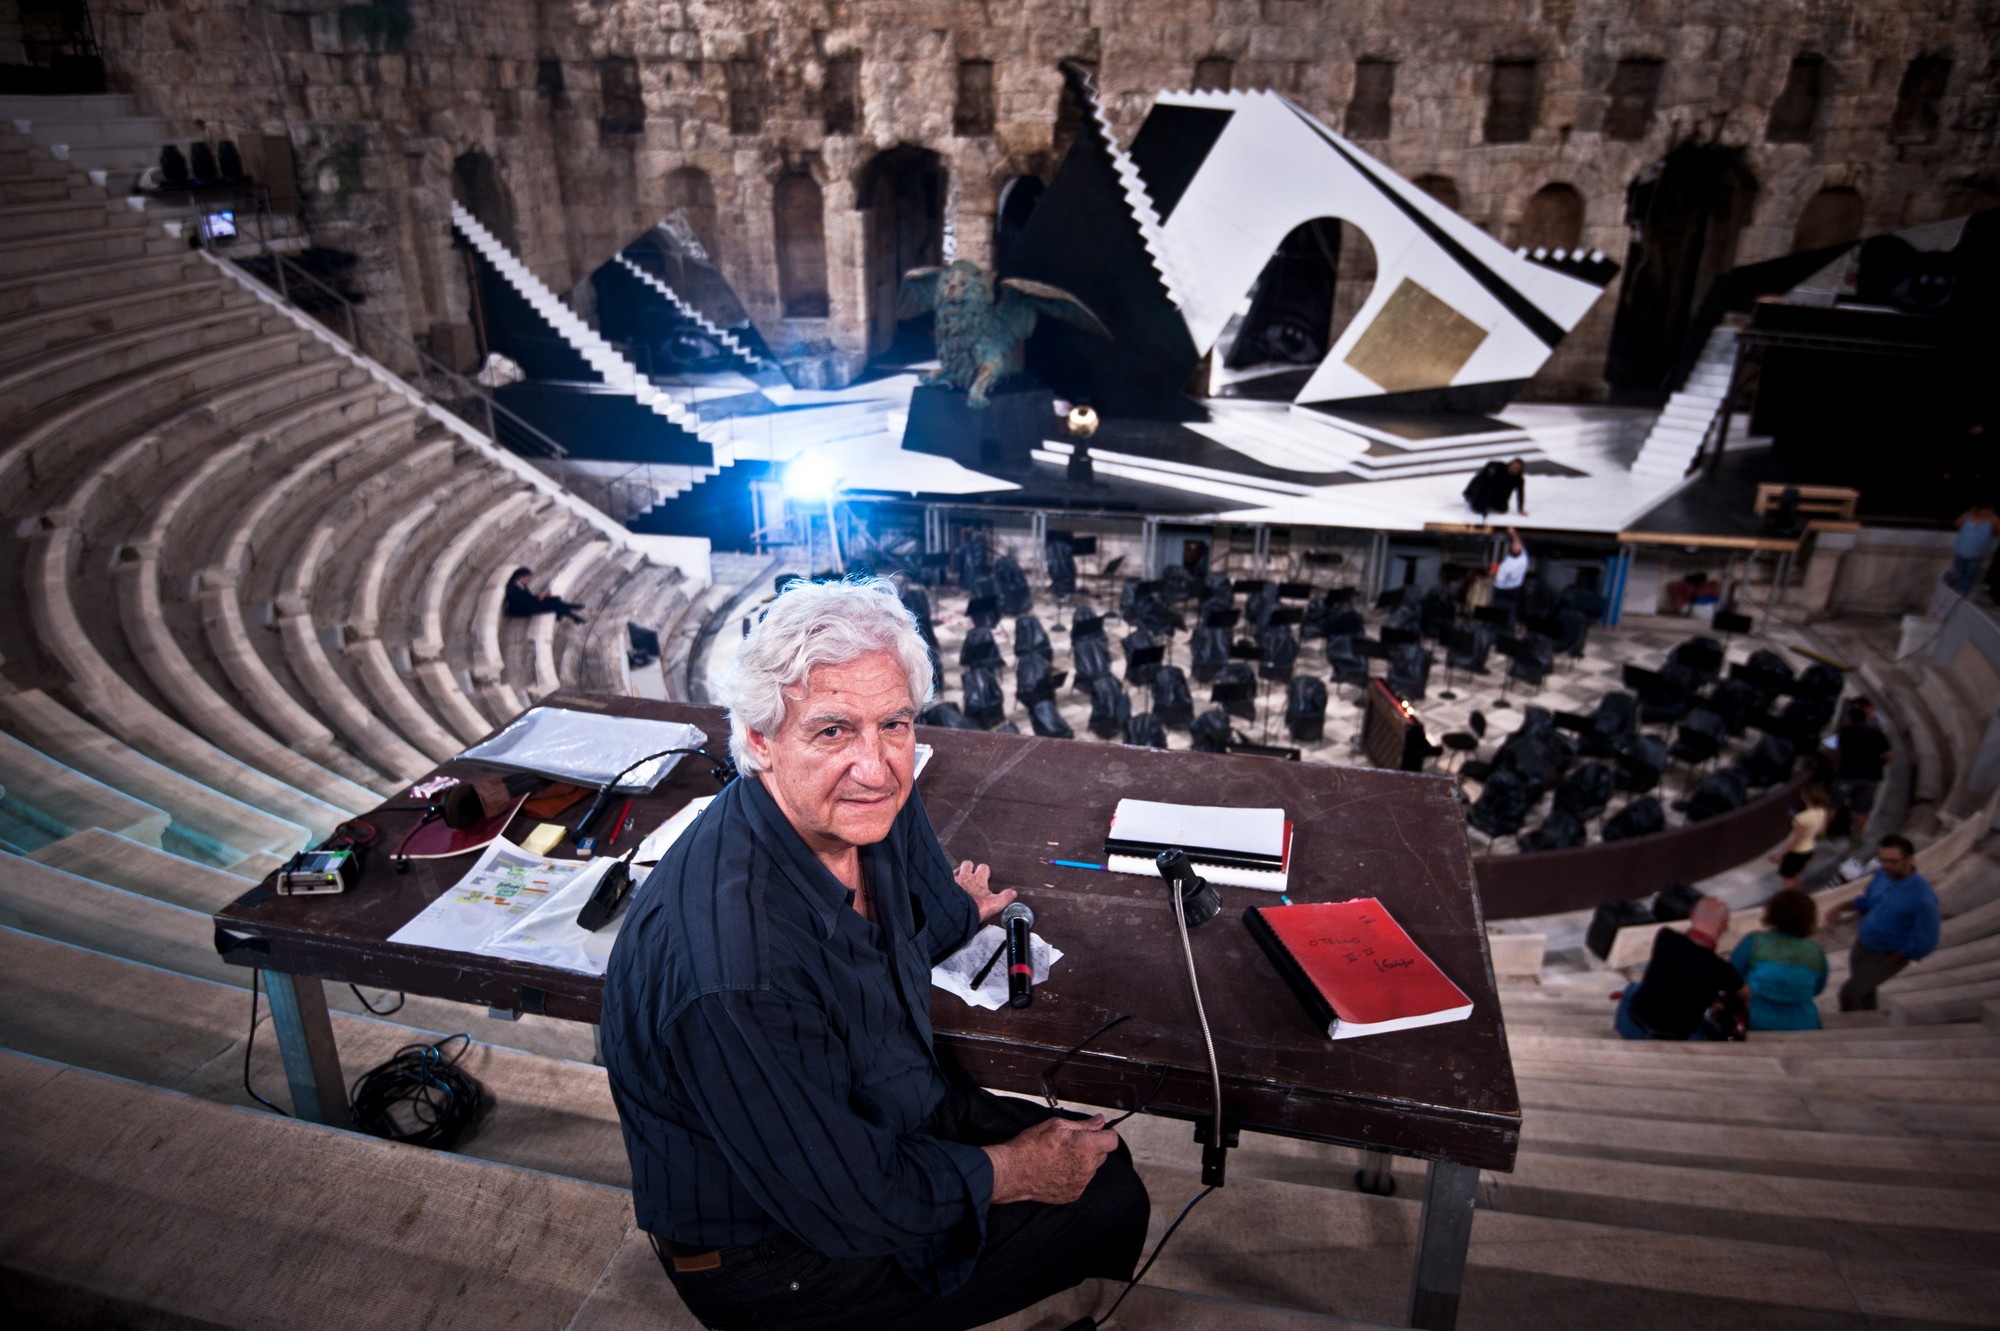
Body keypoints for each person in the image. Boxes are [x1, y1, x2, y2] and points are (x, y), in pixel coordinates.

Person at [600, 577, 1149, 1331]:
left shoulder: (862, 802)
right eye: (832, 730)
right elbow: (847, 1198)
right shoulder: (735, 971)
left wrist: (960, 911)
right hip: (771, 1254)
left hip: (874, 1118)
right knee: (1109, 1198)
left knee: (1100, 1152)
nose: (878, 765)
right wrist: (1018, 1171)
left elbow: (933, 906)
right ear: (759, 740)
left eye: (895, 722)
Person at [1828, 834, 1940, 1011]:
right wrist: (1840, 907)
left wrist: (1898, 955)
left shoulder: (1922, 897)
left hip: (1886, 954)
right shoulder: (1882, 875)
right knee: (1865, 992)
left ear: (1910, 859)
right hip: (1864, 944)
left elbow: (1927, 938)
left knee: (1849, 994)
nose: (1886, 866)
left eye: (1893, 861)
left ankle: (1854, 1032)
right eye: (1883, 860)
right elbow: (1868, 901)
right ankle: (1871, 1024)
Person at [1614, 895, 1747, 1040]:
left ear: (1691, 915)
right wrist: (1713, 998)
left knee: (1634, 987)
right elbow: (1746, 993)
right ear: (1722, 926)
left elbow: (1683, 965)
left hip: (1633, 1029)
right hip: (1674, 1039)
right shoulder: (1721, 969)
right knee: (1703, 1021)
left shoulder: (1665, 937)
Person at [1730, 889, 1829, 1031]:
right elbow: (1818, 987)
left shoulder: (1755, 941)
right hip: (1803, 1024)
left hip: (1756, 1020)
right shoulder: (1815, 951)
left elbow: (1732, 977)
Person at [1829, 699, 1892, 841]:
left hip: (1847, 775)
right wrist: (1880, 764)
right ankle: (1858, 836)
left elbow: (1834, 748)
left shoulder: (1845, 732)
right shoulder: (1876, 734)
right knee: (1862, 810)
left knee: (1834, 805)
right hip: (1870, 777)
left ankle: (1822, 833)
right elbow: (1889, 754)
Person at [1771, 783, 1831, 891]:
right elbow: (1821, 831)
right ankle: (1799, 893)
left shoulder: (1801, 818)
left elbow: (1796, 840)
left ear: (1805, 797)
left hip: (1797, 851)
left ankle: (1789, 900)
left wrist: (1780, 854)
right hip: (1809, 849)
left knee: (1788, 878)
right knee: (1797, 873)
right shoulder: (1822, 811)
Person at [503, 566, 586, 624]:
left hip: (526, 605)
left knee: (555, 599)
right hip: (521, 610)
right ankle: (573, 616)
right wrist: (540, 597)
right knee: (553, 605)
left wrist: (540, 596)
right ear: (521, 577)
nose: (529, 581)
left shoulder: (519, 585)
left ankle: (569, 611)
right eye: (528, 578)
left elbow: (528, 598)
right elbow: (527, 603)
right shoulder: (513, 588)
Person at [1947, 503, 1998, 594]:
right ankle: (1952, 590)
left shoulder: (1993, 520)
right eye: (1983, 509)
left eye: (1988, 509)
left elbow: (1997, 532)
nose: (1985, 512)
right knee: (1958, 571)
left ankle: (1964, 591)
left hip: (1977, 554)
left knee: (1970, 573)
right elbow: (1957, 524)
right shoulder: (1967, 515)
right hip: (1962, 550)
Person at [1463, 456, 1529, 520]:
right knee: (1478, 506)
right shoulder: (1500, 467)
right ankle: (1471, 496)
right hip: (1486, 491)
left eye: (1517, 468)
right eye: (1513, 466)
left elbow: (1520, 494)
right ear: (1510, 464)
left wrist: (1520, 509)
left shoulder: (1518, 480)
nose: (1514, 469)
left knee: (1502, 510)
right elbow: (1487, 467)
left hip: (1499, 497)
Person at [1490, 528, 1529, 621]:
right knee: (1508, 610)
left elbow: (1496, 579)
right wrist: (1512, 532)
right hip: (1513, 587)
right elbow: (1518, 542)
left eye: (1516, 546)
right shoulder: (1523, 557)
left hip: (1504, 589)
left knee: (1503, 609)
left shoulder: (1507, 565)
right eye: (1514, 545)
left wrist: (1493, 573)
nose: (1515, 545)